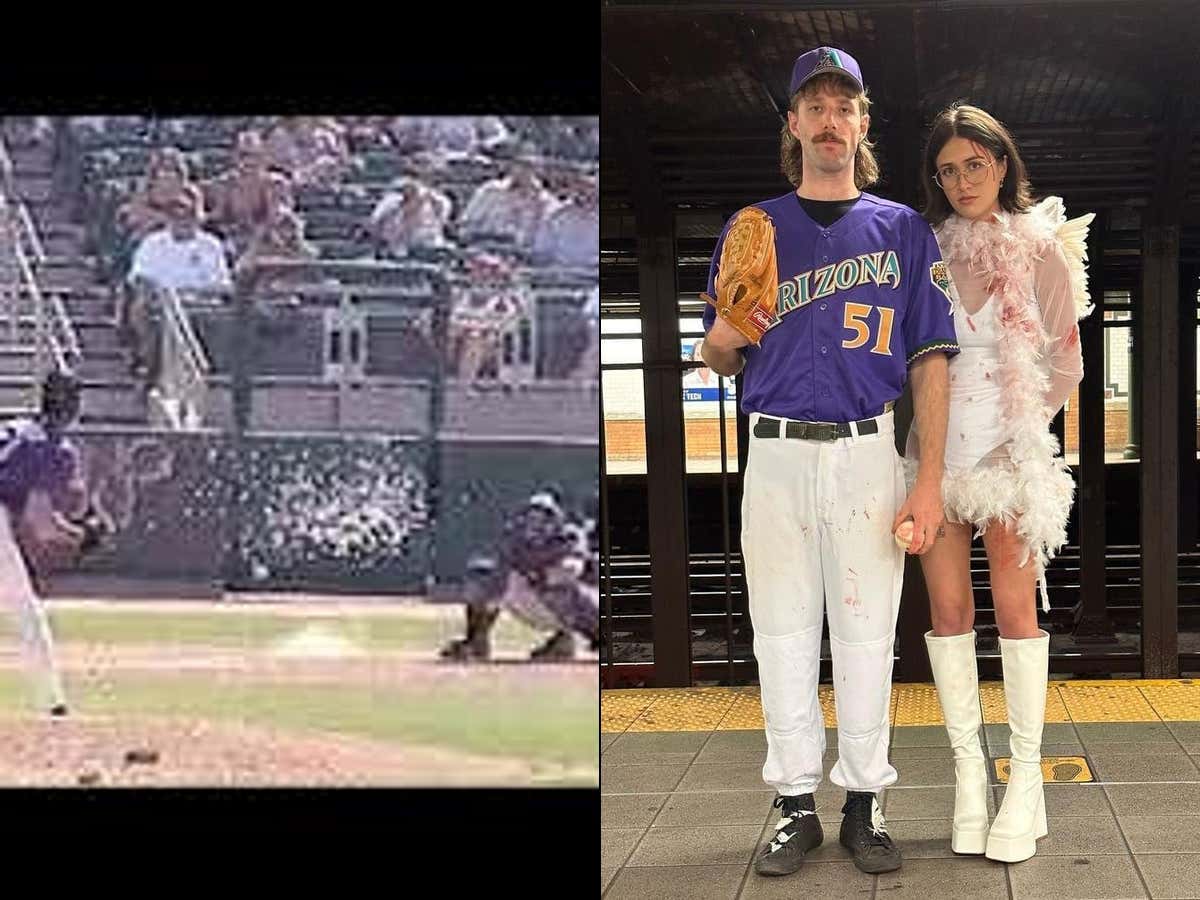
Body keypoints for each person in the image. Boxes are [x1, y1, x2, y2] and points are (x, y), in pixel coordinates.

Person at [700, 46, 959, 878]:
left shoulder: (903, 229)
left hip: (865, 451)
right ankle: (792, 806)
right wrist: (723, 335)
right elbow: (717, 356)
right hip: (775, 453)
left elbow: (931, 359)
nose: (829, 119)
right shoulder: (754, 226)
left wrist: (927, 481)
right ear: (793, 123)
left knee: (866, 632)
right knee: (780, 632)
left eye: (843, 105)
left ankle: (865, 802)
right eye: (814, 105)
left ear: (862, 122)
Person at [911, 104, 1092, 864]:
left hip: (1011, 457)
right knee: (948, 612)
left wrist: (1020, 432)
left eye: (975, 165)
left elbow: (1067, 365)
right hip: (934, 458)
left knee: (1016, 613)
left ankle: (1023, 779)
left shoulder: (1041, 248)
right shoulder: (924, 251)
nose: (962, 182)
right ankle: (968, 778)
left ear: (1002, 164)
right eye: (948, 171)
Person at [0, 371, 92, 717]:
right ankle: (53, 701)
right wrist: (82, 537)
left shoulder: (18, 426)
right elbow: (42, 525)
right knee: (27, 614)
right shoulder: (54, 447)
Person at [439, 490, 599, 662]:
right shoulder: (514, 538)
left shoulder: (569, 537)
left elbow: (570, 570)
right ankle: (476, 641)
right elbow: (497, 570)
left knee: (562, 587)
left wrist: (539, 574)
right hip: (532, 600)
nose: (536, 522)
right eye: (532, 516)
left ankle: (570, 640)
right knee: (482, 577)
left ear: (556, 520)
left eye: (543, 517)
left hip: (578, 607)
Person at [201, 130, 294, 256]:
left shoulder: (277, 184)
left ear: (264, 156)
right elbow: (217, 218)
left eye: (255, 155)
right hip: (233, 243)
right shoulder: (223, 185)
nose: (249, 161)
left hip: (270, 243)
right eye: (243, 155)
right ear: (234, 157)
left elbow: (279, 219)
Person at [458, 156, 558, 255]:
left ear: (539, 170)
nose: (523, 171)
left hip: (522, 255)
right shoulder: (491, 191)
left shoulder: (545, 201)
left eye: (529, 166)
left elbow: (545, 241)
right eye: (520, 165)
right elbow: (467, 223)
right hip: (482, 248)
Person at [367, 177, 453, 259]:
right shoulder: (391, 203)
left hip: (427, 245)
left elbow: (441, 220)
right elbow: (375, 222)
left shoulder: (438, 203)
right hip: (399, 247)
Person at [529, 173, 598, 270]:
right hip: (559, 272)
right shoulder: (557, 219)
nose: (586, 193)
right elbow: (541, 252)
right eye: (582, 189)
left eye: (591, 188)